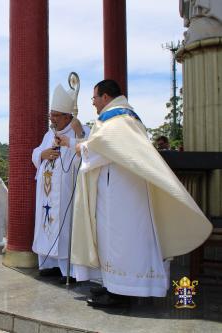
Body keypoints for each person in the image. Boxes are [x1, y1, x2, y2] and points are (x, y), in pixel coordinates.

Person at [71, 79, 212, 307]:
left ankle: (120, 293)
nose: (94, 103)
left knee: (120, 239)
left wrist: (81, 146)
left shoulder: (118, 118)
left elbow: (105, 146)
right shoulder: (125, 117)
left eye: (94, 98)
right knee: (116, 238)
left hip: (121, 194)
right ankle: (112, 285)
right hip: (121, 190)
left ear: (106, 97)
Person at [31, 84, 89, 283]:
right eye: (51, 114)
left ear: (67, 116)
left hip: (68, 192)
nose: (51, 118)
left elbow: (90, 149)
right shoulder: (49, 135)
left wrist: (80, 133)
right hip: (47, 191)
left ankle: (68, 270)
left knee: (65, 228)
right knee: (47, 224)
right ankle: (49, 264)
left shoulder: (81, 130)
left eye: (56, 115)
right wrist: (43, 154)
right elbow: (35, 153)